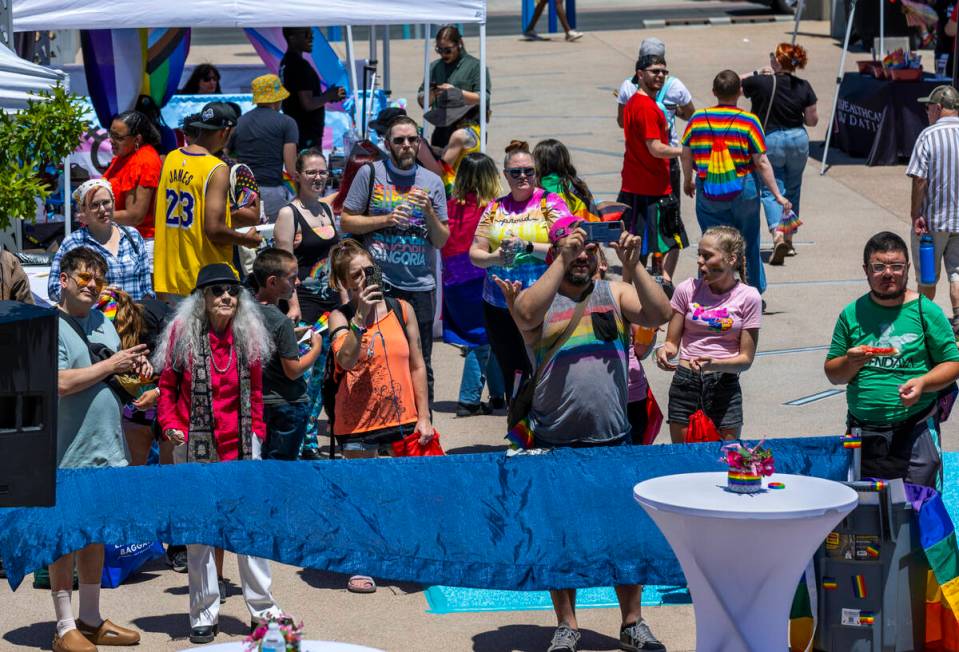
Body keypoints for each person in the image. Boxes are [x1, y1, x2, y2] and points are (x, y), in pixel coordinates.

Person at [509, 221, 671, 652]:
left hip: (612, 439)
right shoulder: (538, 300)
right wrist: (562, 255)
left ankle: (633, 623)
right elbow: (524, 315)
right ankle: (566, 625)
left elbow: (659, 314)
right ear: (556, 254)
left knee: (623, 536)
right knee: (560, 536)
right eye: (572, 250)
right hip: (554, 441)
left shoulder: (614, 292)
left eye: (588, 250)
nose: (582, 257)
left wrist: (634, 267)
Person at [154, 263, 281, 644]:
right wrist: (171, 427)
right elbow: (167, 389)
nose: (226, 296)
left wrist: (257, 433)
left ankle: (264, 609)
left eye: (232, 290)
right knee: (200, 536)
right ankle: (204, 614)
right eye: (216, 291)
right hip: (194, 447)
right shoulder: (182, 333)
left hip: (241, 445)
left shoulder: (248, 334)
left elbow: (256, 392)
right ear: (202, 299)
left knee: (250, 532)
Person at [52, 246, 148, 652]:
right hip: (66, 453)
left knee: (95, 535)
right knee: (64, 538)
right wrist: (112, 366)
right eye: (84, 278)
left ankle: (89, 619)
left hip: (107, 448)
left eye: (98, 280)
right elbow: (57, 383)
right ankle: (63, 626)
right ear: (64, 281)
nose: (92, 285)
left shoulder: (104, 323)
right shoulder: (49, 326)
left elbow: (114, 379)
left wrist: (137, 371)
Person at [326, 239, 435, 592]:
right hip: (357, 422)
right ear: (344, 283)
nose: (364, 279)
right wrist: (359, 319)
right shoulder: (339, 317)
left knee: (409, 489)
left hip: (403, 415)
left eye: (367, 270)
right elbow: (344, 360)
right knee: (361, 492)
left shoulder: (402, 309)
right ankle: (361, 562)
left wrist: (425, 415)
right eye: (355, 275)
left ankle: (407, 555)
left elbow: (418, 364)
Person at [825, 232, 959, 487]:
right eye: (879, 267)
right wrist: (850, 363)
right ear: (866, 270)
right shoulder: (851, 314)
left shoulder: (925, 311)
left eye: (896, 266)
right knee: (864, 514)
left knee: (918, 508)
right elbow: (834, 374)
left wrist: (923, 383)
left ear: (907, 268)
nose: (888, 273)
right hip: (862, 433)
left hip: (915, 428)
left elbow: (953, 363)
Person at [340, 116, 449, 401]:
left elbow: (441, 240)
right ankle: (384, 426)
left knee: (420, 359)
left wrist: (429, 213)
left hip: (420, 284)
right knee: (378, 354)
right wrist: (386, 219)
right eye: (399, 141)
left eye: (413, 140)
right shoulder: (371, 174)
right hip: (379, 278)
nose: (407, 146)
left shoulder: (432, 182)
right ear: (387, 144)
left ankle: (423, 426)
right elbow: (347, 221)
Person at [468, 140, 573, 401]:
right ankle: (518, 427)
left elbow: (567, 247)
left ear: (536, 173)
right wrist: (495, 257)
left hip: (543, 302)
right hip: (499, 305)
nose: (523, 176)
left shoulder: (551, 203)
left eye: (529, 171)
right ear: (506, 176)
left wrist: (527, 246)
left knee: (545, 366)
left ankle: (546, 426)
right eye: (516, 172)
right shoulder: (494, 208)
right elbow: (475, 254)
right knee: (513, 371)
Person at [680, 70, 792, 298]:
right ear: (740, 92)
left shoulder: (698, 120)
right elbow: (761, 161)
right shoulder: (749, 121)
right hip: (744, 189)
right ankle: (753, 292)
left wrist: (687, 180)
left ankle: (707, 292)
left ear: (714, 92)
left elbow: (685, 153)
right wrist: (777, 195)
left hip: (708, 187)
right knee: (748, 241)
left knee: (711, 242)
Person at [655, 226, 762, 442]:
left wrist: (713, 363)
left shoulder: (749, 297)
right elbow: (672, 343)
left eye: (707, 255)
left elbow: (745, 359)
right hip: (686, 382)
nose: (699, 261)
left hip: (725, 384)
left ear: (731, 259)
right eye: (699, 255)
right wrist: (663, 351)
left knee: (725, 458)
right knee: (684, 459)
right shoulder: (687, 289)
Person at [154, 102, 262, 299]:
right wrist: (245, 240)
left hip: (169, 275)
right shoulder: (216, 168)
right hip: (205, 278)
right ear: (225, 131)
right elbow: (214, 229)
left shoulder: (171, 158)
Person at [273, 148, 341, 459]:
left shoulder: (326, 210)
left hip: (329, 308)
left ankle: (310, 441)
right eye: (311, 172)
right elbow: (283, 263)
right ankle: (299, 442)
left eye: (322, 171)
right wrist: (293, 306)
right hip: (304, 307)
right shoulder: (290, 213)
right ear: (297, 176)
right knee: (302, 376)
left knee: (320, 378)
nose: (318, 177)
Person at [616, 37, 695, 282]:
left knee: (636, 240)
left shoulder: (632, 101)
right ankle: (664, 282)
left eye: (663, 71)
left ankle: (632, 288)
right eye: (654, 71)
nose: (660, 76)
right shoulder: (648, 108)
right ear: (640, 73)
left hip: (636, 183)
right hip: (653, 186)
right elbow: (655, 148)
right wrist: (683, 151)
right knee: (673, 237)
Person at [741, 43, 819, 264]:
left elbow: (729, 82)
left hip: (770, 139)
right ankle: (790, 239)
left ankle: (777, 236)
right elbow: (812, 120)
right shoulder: (804, 85)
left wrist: (757, 72)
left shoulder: (761, 82)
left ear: (776, 60)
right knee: (793, 188)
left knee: (770, 189)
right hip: (798, 139)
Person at [443, 152, 506, 416]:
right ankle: (468, 400)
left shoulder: (449, 206)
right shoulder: (493, 209)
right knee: (481, 338)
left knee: (489, 338)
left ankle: (499, 395)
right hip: (481, 278)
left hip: (453, 280)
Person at [251, 248, 324, 460]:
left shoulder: (247, 313)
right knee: (282, 469)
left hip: (259, 403)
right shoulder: (281, 322)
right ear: (273, 282)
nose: (298, 283)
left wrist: (291, 335)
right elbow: (293, 371)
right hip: (286, 406)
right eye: (292, 278)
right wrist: (316, 349)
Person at [907, 85, 959, 334]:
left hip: (933, 220)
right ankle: (958, 319)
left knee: (927, 276)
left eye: (928, 107)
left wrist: (916, 213)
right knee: (957, 272)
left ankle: (924, 322)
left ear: (938, 108)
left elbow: (920, 179)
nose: (926, 111)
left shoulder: (929, 135)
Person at [49, 179, 153, 303]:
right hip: (96, 321)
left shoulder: (133, 236)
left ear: (113, 203)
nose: (102, 209)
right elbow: (54, 289)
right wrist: (91, 295)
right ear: (84, 211)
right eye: (94, 205)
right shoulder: (74, 242)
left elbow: (147, 290)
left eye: (106, 202)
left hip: (133, 319)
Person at [95, 286, 165, 466]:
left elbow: (174, 366)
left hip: (166, 395)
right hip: (137, 405)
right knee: (135, 465)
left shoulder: (148, 320)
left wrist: (157, 389)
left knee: (170, 468)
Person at [230, 74, 299, 222]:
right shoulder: (287, 123)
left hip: (243, 191)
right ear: (277, 99)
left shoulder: (240, 122)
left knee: (246, 238)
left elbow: (227, 155)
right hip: (272, 191)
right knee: (273, 239)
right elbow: (291, 167)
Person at [417, 25, 491, 149]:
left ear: (458, 45)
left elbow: (484, 98)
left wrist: (456, 93)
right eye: (439, 50)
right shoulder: (434, 67)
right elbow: (421, 100)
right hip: (441, 128)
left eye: (447, 50)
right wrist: (432, 94)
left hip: (467, 126)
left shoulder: (475, 66)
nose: (443, 54)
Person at [103, 111, 163, 246]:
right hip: (124, 238)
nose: (111, 140)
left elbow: (135, 215)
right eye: (111, 134)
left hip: (141, 243)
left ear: (137, 140)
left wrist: (96, 216)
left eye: (118, 137)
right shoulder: (124, 155)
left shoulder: (144, 162)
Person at [280, 27, 346, 150]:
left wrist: (327, 96)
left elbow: (298, 99)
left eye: (311, 33)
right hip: (306, 135)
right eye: (305, 34)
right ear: (292, 38)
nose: (311, 37)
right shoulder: (299, 65)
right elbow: (307, 104)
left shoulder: (286, 62)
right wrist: (328, 96)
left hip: (298, 131)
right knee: (311, 168)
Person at [533, 138, 595, 221]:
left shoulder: (532, 188)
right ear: (564, 160)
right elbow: (589, 219)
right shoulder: (576, 186)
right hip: (574, 231)